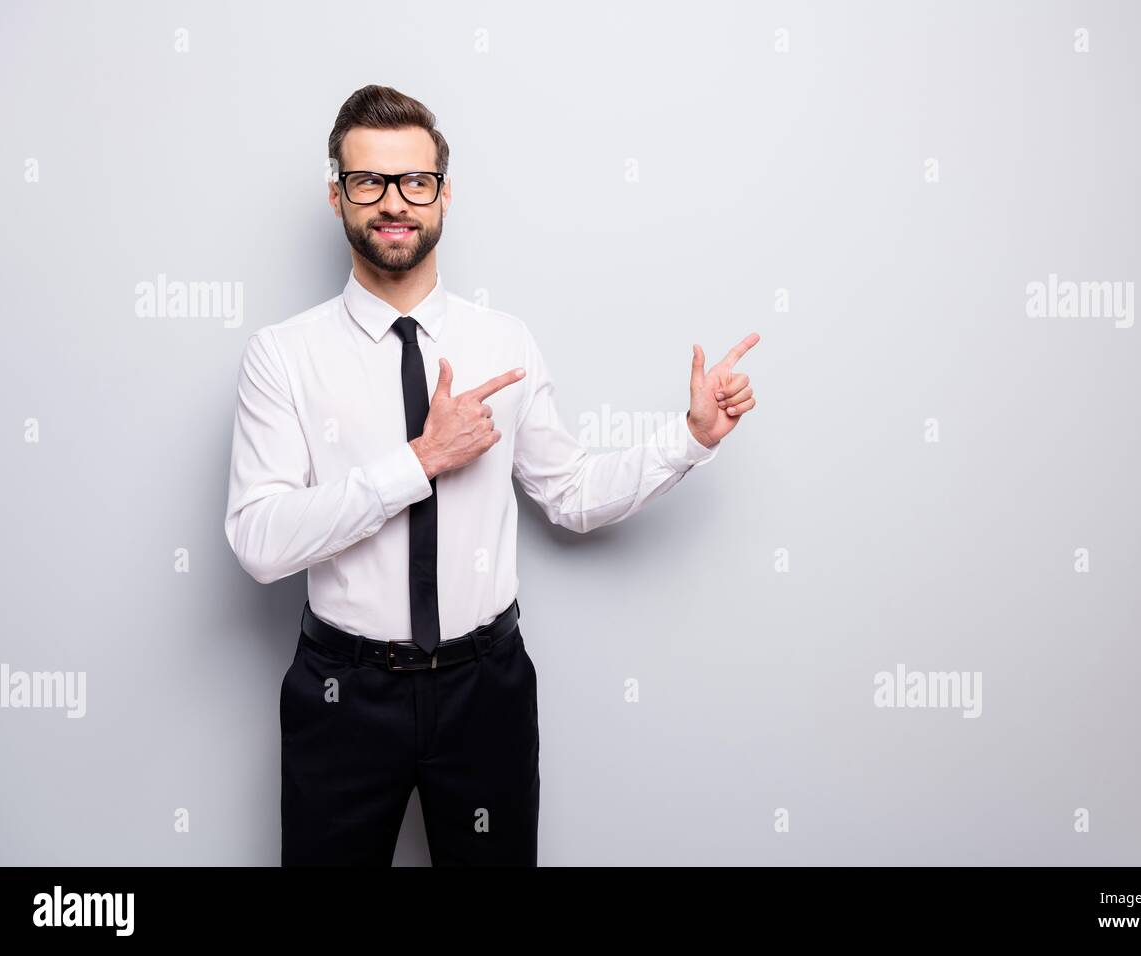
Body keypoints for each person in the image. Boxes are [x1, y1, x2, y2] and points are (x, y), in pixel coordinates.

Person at [223, 84, 760, 866]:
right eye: (369, 181)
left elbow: (571, 495)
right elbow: (259, 543)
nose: (393, 202)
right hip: (342, 695)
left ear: (445, 193)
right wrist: (417, 461)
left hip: (486, 690)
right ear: (336, 194)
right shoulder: (283, 355)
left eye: (415, 181)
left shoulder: (503, 342)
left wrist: (689, 438)